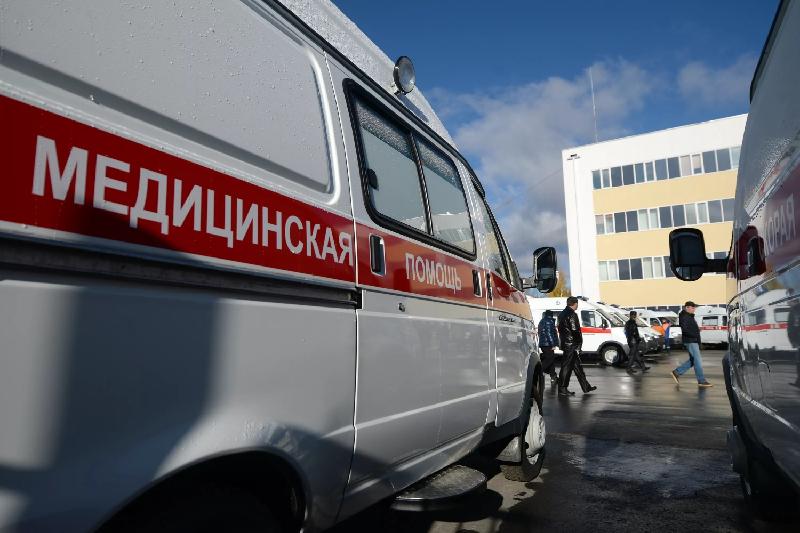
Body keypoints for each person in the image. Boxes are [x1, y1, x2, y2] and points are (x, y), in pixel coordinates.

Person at [557, 296, 597, 395]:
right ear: (575, 304)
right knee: (566, 367)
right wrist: (579, 343)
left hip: (566, 343)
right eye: (577, 304)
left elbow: (561, 330)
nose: (577, 305)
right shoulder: (572, 314)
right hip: (571, 344)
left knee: (577, 366)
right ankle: (562, 388)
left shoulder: (561, 314)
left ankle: (586, 387)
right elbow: (575, 330)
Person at [671, 301, 712, 387]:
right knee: (698, 361)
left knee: (693, 360)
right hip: (691, 341)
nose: (694, 309)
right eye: (692, 308)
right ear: (687, 308)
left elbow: (689, 328)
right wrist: (695, 334)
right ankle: (701, 380)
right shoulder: (685, 317)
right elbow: (685, 330)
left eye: (694, 308)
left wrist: (696, 330)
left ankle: (677, 372)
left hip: (693, 340)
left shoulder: (689, 316)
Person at [537, 310, 560, 386]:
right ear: (551, 315)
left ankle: (554, 377)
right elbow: (549, 333)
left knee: (551, 361)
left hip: (544, 343)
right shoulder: (549, 321)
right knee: (550, 359)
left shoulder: (542, 320)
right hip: (547, 344)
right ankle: (538, 371)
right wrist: (553, 344)